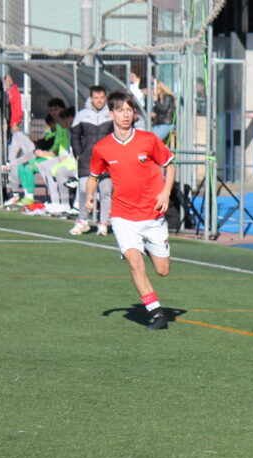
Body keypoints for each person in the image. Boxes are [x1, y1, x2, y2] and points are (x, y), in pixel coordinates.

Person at [85, 91, 176, 331]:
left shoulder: (149, 140)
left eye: (129, 110)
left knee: (163, 271)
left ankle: (146, 245)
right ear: (111, 114)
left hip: (152, 215)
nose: (125, 115)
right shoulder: (102, 148)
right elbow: (93, 176)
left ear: (135, 113)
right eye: (120, 110)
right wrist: (90, 196)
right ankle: (157, 314)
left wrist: (165, 193)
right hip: (123, 216)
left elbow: (169, 165)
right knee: (135, 262)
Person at [70, 86, 114, 235]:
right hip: (87, 159)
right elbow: (75, 136)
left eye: (102, 98)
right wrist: (78, 154)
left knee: (106, 191)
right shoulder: (82, 115)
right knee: (84, 189)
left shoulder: (111, 114)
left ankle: (103, 223)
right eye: (96, 98)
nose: (99, 101)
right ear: (91, 99)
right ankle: (82, 221)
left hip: (106, 160)